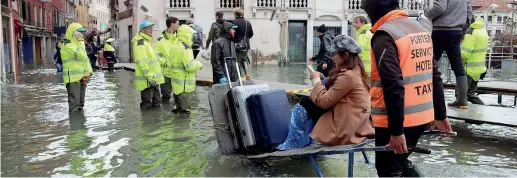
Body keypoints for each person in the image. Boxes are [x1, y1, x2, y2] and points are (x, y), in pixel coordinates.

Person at [362, 0, 454, 176]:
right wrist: (441, 114)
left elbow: (393, 85)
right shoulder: (418, 29)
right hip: (421, 117)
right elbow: (434, 74)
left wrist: (396, 132)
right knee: (400, 163)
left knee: (388, 170)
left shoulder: (385, 35)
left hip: (396, 121)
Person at [278, 35, 374, 150]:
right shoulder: (357, 72)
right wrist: (323, 80)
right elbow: (339, 90)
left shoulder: (348, 76)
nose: (332, 57)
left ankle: (294, 143)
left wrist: (316, 81)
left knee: (304, 105)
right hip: (357, 125)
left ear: (345, 55)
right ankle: (306, 139)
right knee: (309, 102)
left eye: (334, 54)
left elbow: (324, 102)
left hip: (346, 130)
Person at [425, 0, 473, 110]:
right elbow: (469, 14)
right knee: (458, 66)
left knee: (432, 64)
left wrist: (427, 12)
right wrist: (463, 31)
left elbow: (439, 8)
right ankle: (462, 100)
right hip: (457, 31)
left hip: (440, 31)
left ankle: (430, 99)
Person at [170, 18, 204, 114]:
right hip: (184, 87)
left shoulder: (175, 46)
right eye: (193, 36)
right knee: (185, 115)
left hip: (177, 87)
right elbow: (189, 67)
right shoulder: (186, 48)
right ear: (188, 35)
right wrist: (199, 64)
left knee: (178, 112)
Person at [133, 20, 165, 110]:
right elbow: (142, 62)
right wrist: (150, 77)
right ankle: (146, 123)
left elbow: (154, 59)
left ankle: (155, 122)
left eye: (152, 28)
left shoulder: (147, 42)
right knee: (147, 104)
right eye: (148, 28)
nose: (151, 30)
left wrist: (165, 62)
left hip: (154, 80)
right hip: (147, 80)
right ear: (142, 30)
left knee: (157, 103)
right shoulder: (140, 43)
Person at [61, 23, 92, 113]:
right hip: (72, 78)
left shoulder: (79, 43)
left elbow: (85, 59)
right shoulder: (67, 44)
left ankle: (81, 126)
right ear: (73, 33)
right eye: (80, 32)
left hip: (82, 77)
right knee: (74, 105)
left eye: (82, 32)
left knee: (81, 104)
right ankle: (75, 125)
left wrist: (89, 72)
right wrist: (80, 42)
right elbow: (80, 55)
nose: (82, 34)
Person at [461, 17, 488, 105]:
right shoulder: (483, 31)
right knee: (471, 94)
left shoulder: (471, 33)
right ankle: (480, 111)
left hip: (468, 69)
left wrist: (454, 51)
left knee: (461, 96)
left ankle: (466, 116)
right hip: (478, 69)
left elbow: (464, 54)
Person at [156, 17, 181, 104]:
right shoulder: (160, 39)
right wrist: (165, 62)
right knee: (166, 97)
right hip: (166, 73)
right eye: (177, 23)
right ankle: (166, 115)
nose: (179, 26)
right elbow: (156, 56)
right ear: (172, 24)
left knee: (179, 96)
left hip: (178, 72)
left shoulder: (179, 38)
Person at [232, 7, 254, 79]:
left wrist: (235, 40)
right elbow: (251, 34)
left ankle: (239, 76)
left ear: (235, 14)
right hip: (246, 45)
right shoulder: (248, 22)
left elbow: (232, 34)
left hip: (237, 46)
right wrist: (246, 40)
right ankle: (247, 74)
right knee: (244, 59)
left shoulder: (234, 22)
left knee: (237, 61)